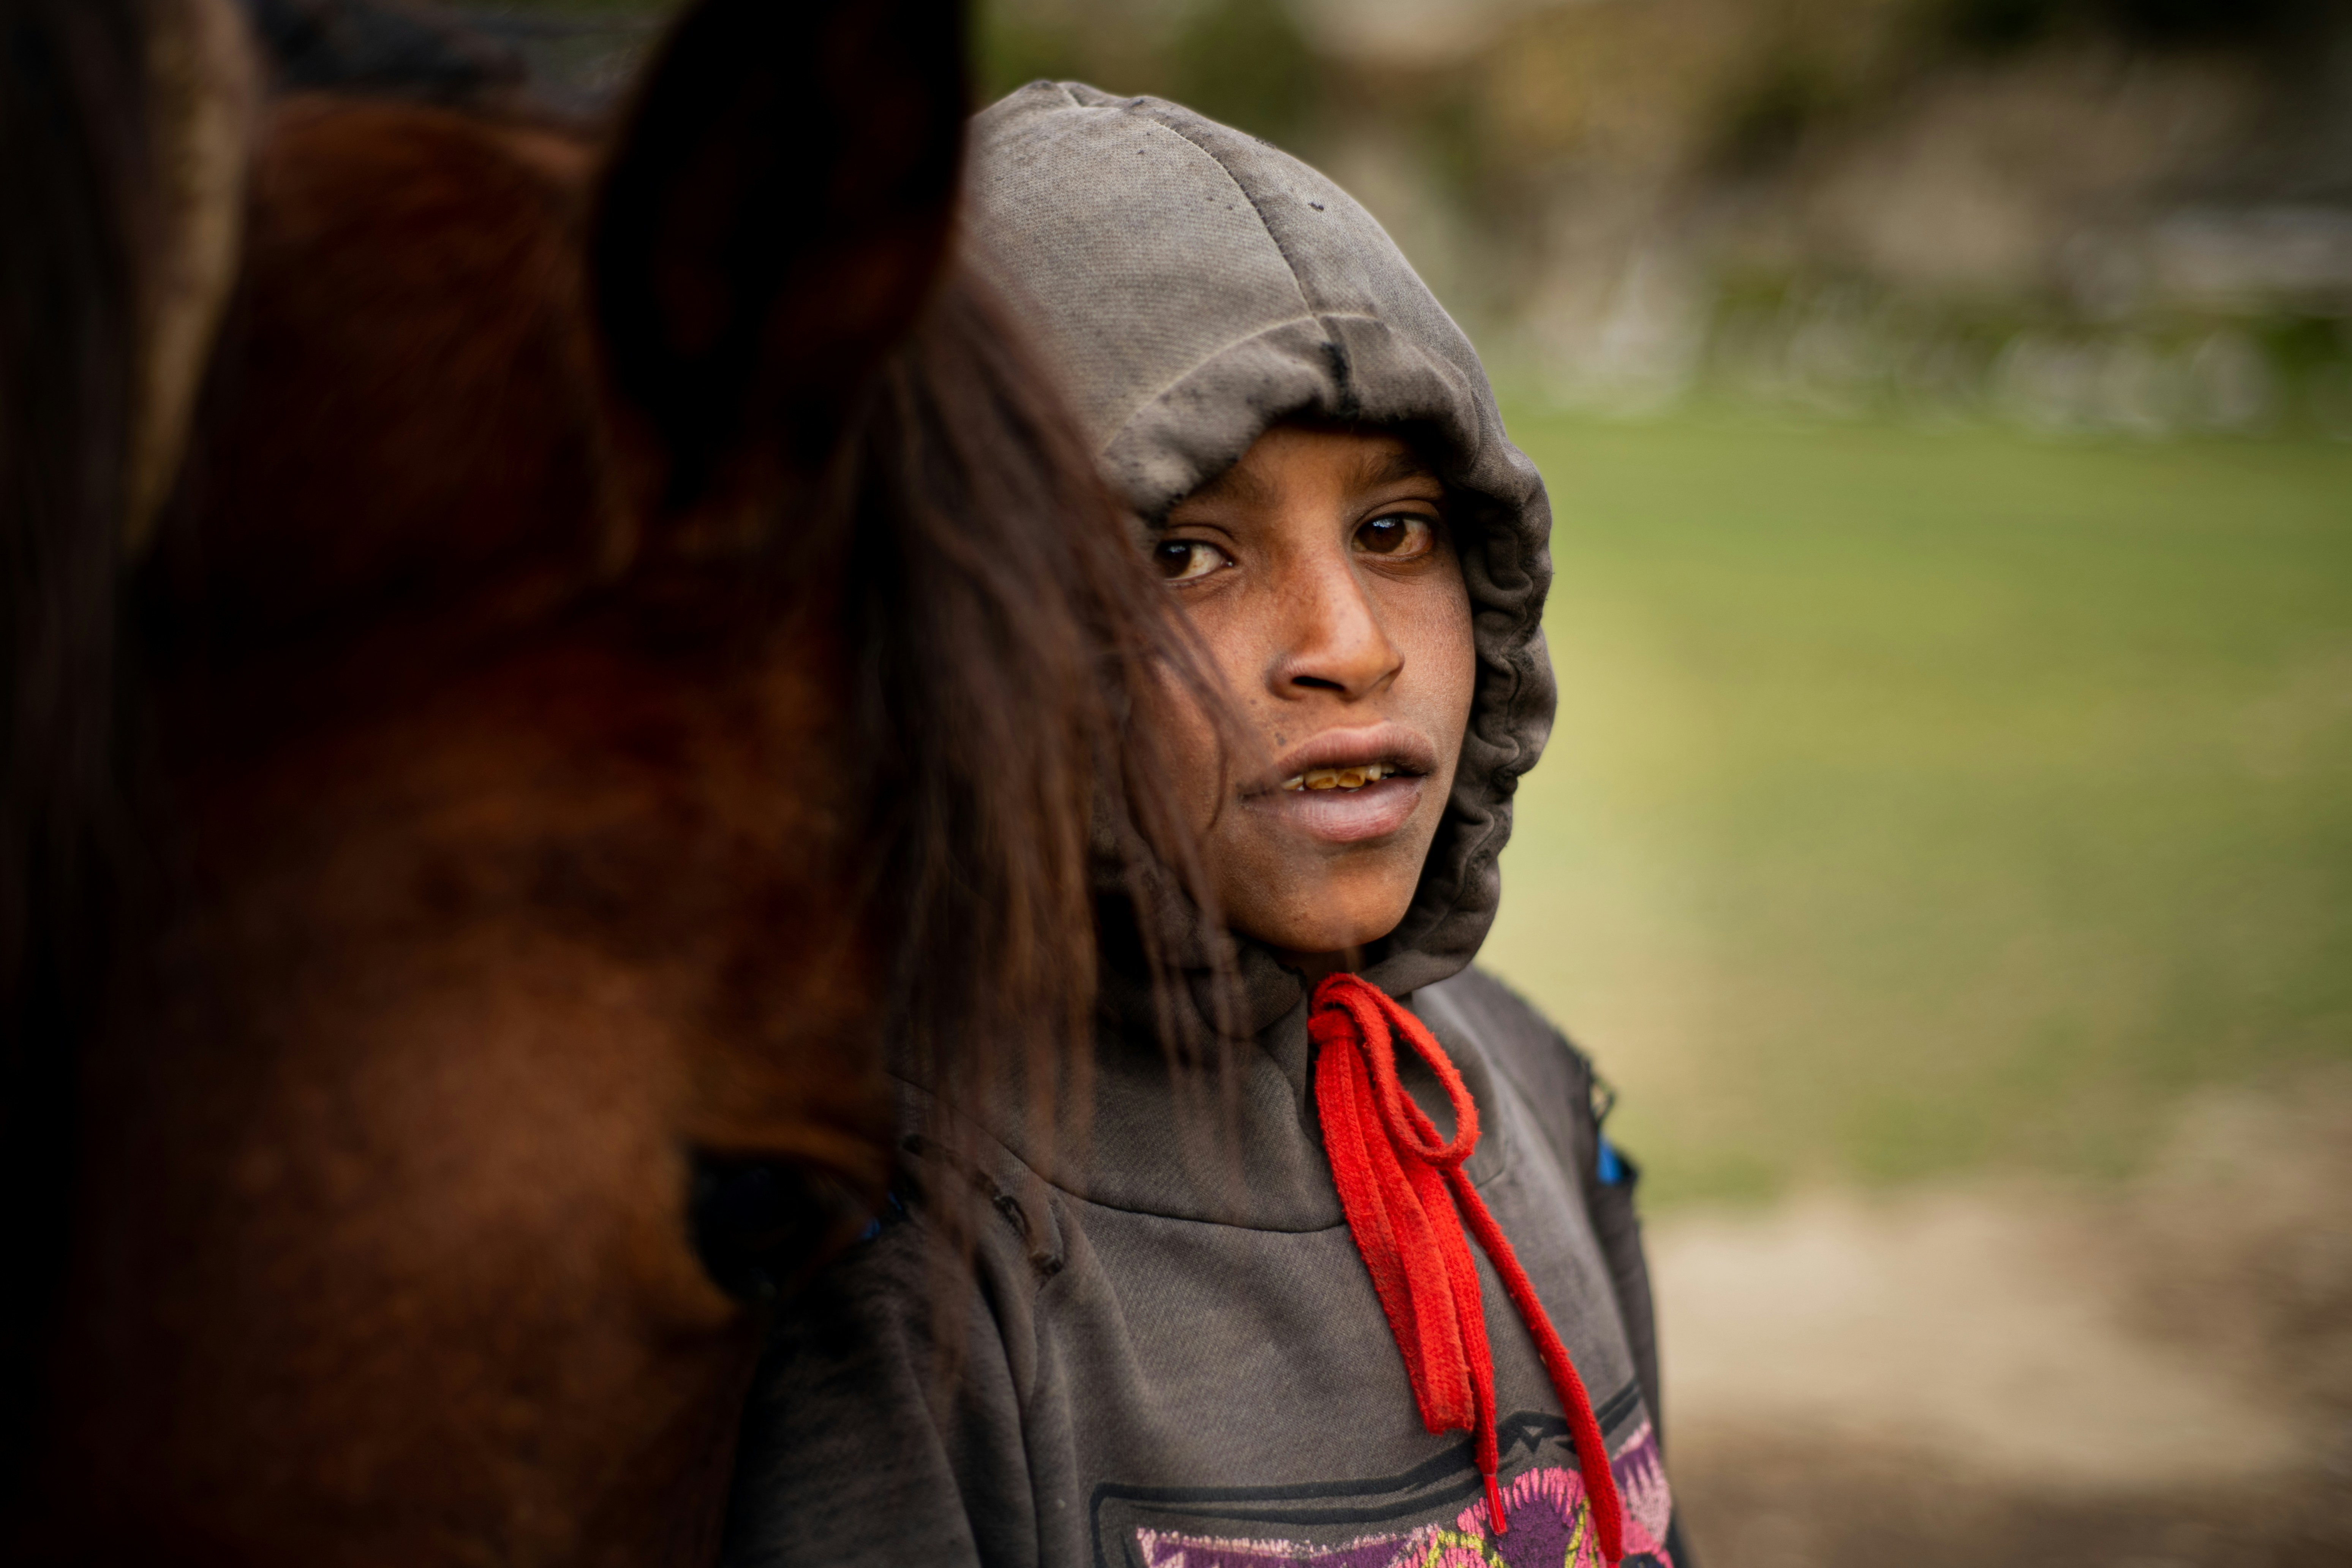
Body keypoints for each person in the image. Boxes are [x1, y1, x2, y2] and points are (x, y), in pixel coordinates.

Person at [720, 83, 1690, 1568]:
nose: (1348, 643)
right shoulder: (900, 1262)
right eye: (1187, 552)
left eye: (1395, 529)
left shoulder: (1527, 1095)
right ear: (960, 629)